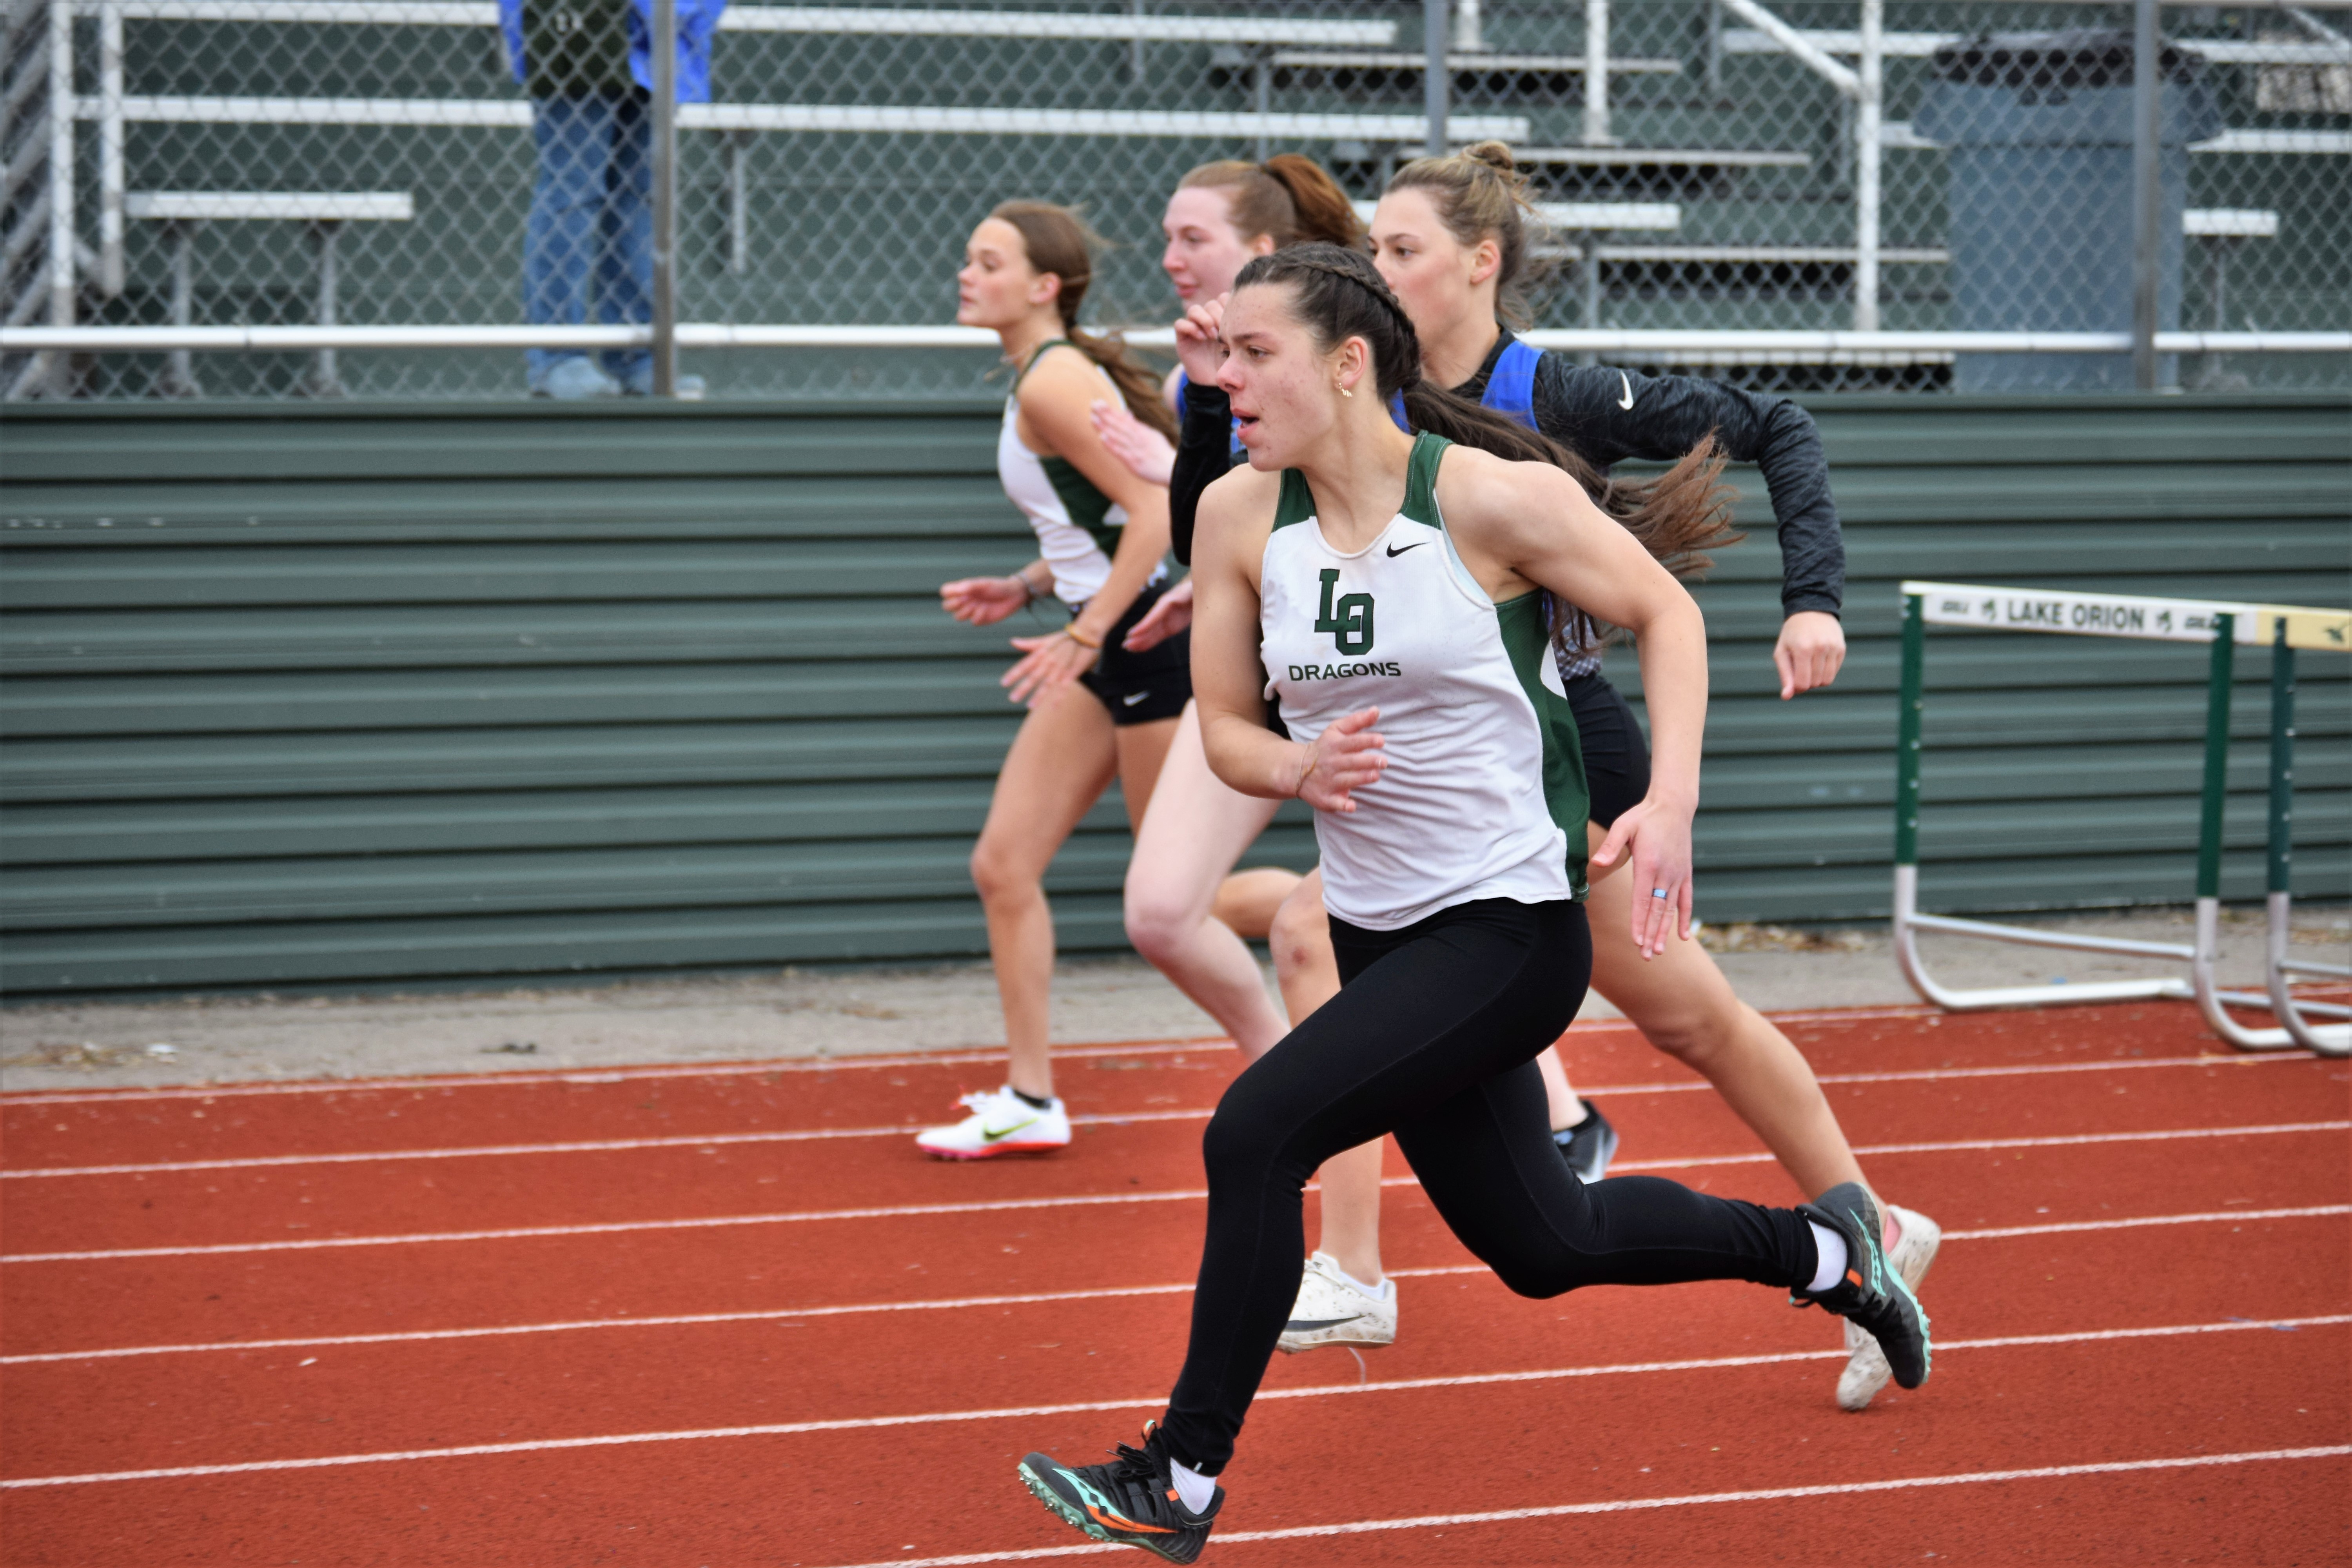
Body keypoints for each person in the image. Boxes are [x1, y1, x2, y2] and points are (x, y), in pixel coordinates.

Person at [1015, 245, 1929, 1562]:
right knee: (1548, 1245)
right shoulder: (1234, 516)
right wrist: (1294, 762)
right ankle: (1837, 1257)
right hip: (1383, 927)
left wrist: (1666, 800)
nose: (1222, 378)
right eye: (1220, 354)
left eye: (1252, 353)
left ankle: (1181, 1479)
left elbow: (1665, 615)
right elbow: (1224, 723)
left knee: (1254, 1136)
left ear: (1346, 366)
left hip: (1507, 931)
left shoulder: (1487, 501)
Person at [911, 202, 1187, 1159]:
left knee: (1178, 893)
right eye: (967, 256)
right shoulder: (1040, 376)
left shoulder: (1054, 382)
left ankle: (1350, 916)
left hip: (1149, 639)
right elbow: (1100, 523)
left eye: (986, 261)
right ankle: (1031, 1097)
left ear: (1043, 287)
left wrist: (1083, 629)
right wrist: (1029, 583)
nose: (964, 272)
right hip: (1106, 641)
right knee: (1003, 864)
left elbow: (1157, 514)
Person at [500, 0, 724, 399]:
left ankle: (638, 354)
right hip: (579, 16)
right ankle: (556, 356)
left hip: (663, 32)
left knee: (639, 196)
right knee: (573, 190)